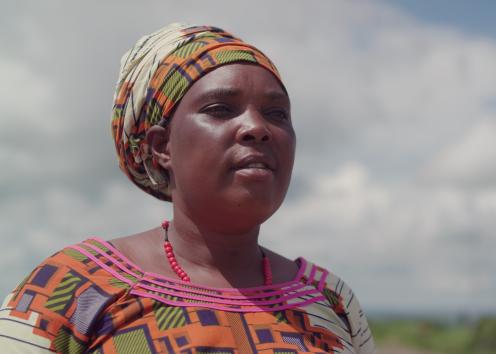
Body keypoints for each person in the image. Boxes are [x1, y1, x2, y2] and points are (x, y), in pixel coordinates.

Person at [0, 23, 375, 353]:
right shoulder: (74, 287)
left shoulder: (329, 298)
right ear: (161, 147)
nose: (257, 128)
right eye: (220, 109)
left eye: (276, 114)